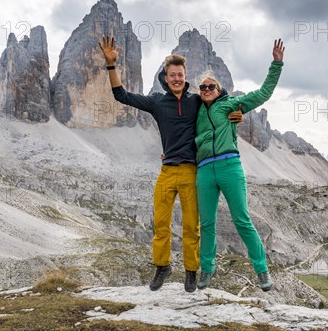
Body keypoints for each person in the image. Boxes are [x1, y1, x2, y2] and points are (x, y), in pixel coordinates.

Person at [98, 36, 242, 293]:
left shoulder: (196, 100)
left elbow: (220, 99)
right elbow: (121, 95)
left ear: (185, 76)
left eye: (180, 74)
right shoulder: (156, 101)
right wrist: (111, 65)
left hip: (190, 171)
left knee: (191, 226)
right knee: (161, 223)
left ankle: (190, 271)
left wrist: (236, 115)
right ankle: (163, 266)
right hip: (166, 172)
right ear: (165, 77)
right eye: (172, 75)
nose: (176, 78)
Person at [195, 38, 285, 292]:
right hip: (204, 171)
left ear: (219, 88)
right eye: (202, 87)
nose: (206, 89)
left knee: (242, 220)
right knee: (207, 224)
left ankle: (262, 270)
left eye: (211, 86)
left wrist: (276, 64)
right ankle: (207, 269)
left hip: (229, 166)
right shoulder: (196, 110)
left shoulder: (230, 105)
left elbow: (262, 94)